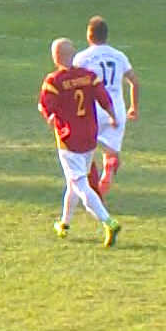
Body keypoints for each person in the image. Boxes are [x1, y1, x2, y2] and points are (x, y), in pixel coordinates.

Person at [39, 37, 119, 247]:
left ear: (55, 57)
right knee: (73, 182)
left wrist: (48, 116)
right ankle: (64, 224)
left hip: (69, 139)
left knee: (80, 184)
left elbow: (46, 107)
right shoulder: (88, 76)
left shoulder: (53, 81)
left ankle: (108, 221)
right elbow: (103, 98)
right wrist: (112, 116)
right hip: (89, 136)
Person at [71, 16, 138, 200]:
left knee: (85, 150)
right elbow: (134, 82)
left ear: (89, 35)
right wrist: (134, 107)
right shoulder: (119, 56)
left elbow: (72, 82)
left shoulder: (82, 58)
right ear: (106, 35)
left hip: (94, 109)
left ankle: (93, 190)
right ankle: (108, 167)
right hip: (116, 109)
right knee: (112, 152)